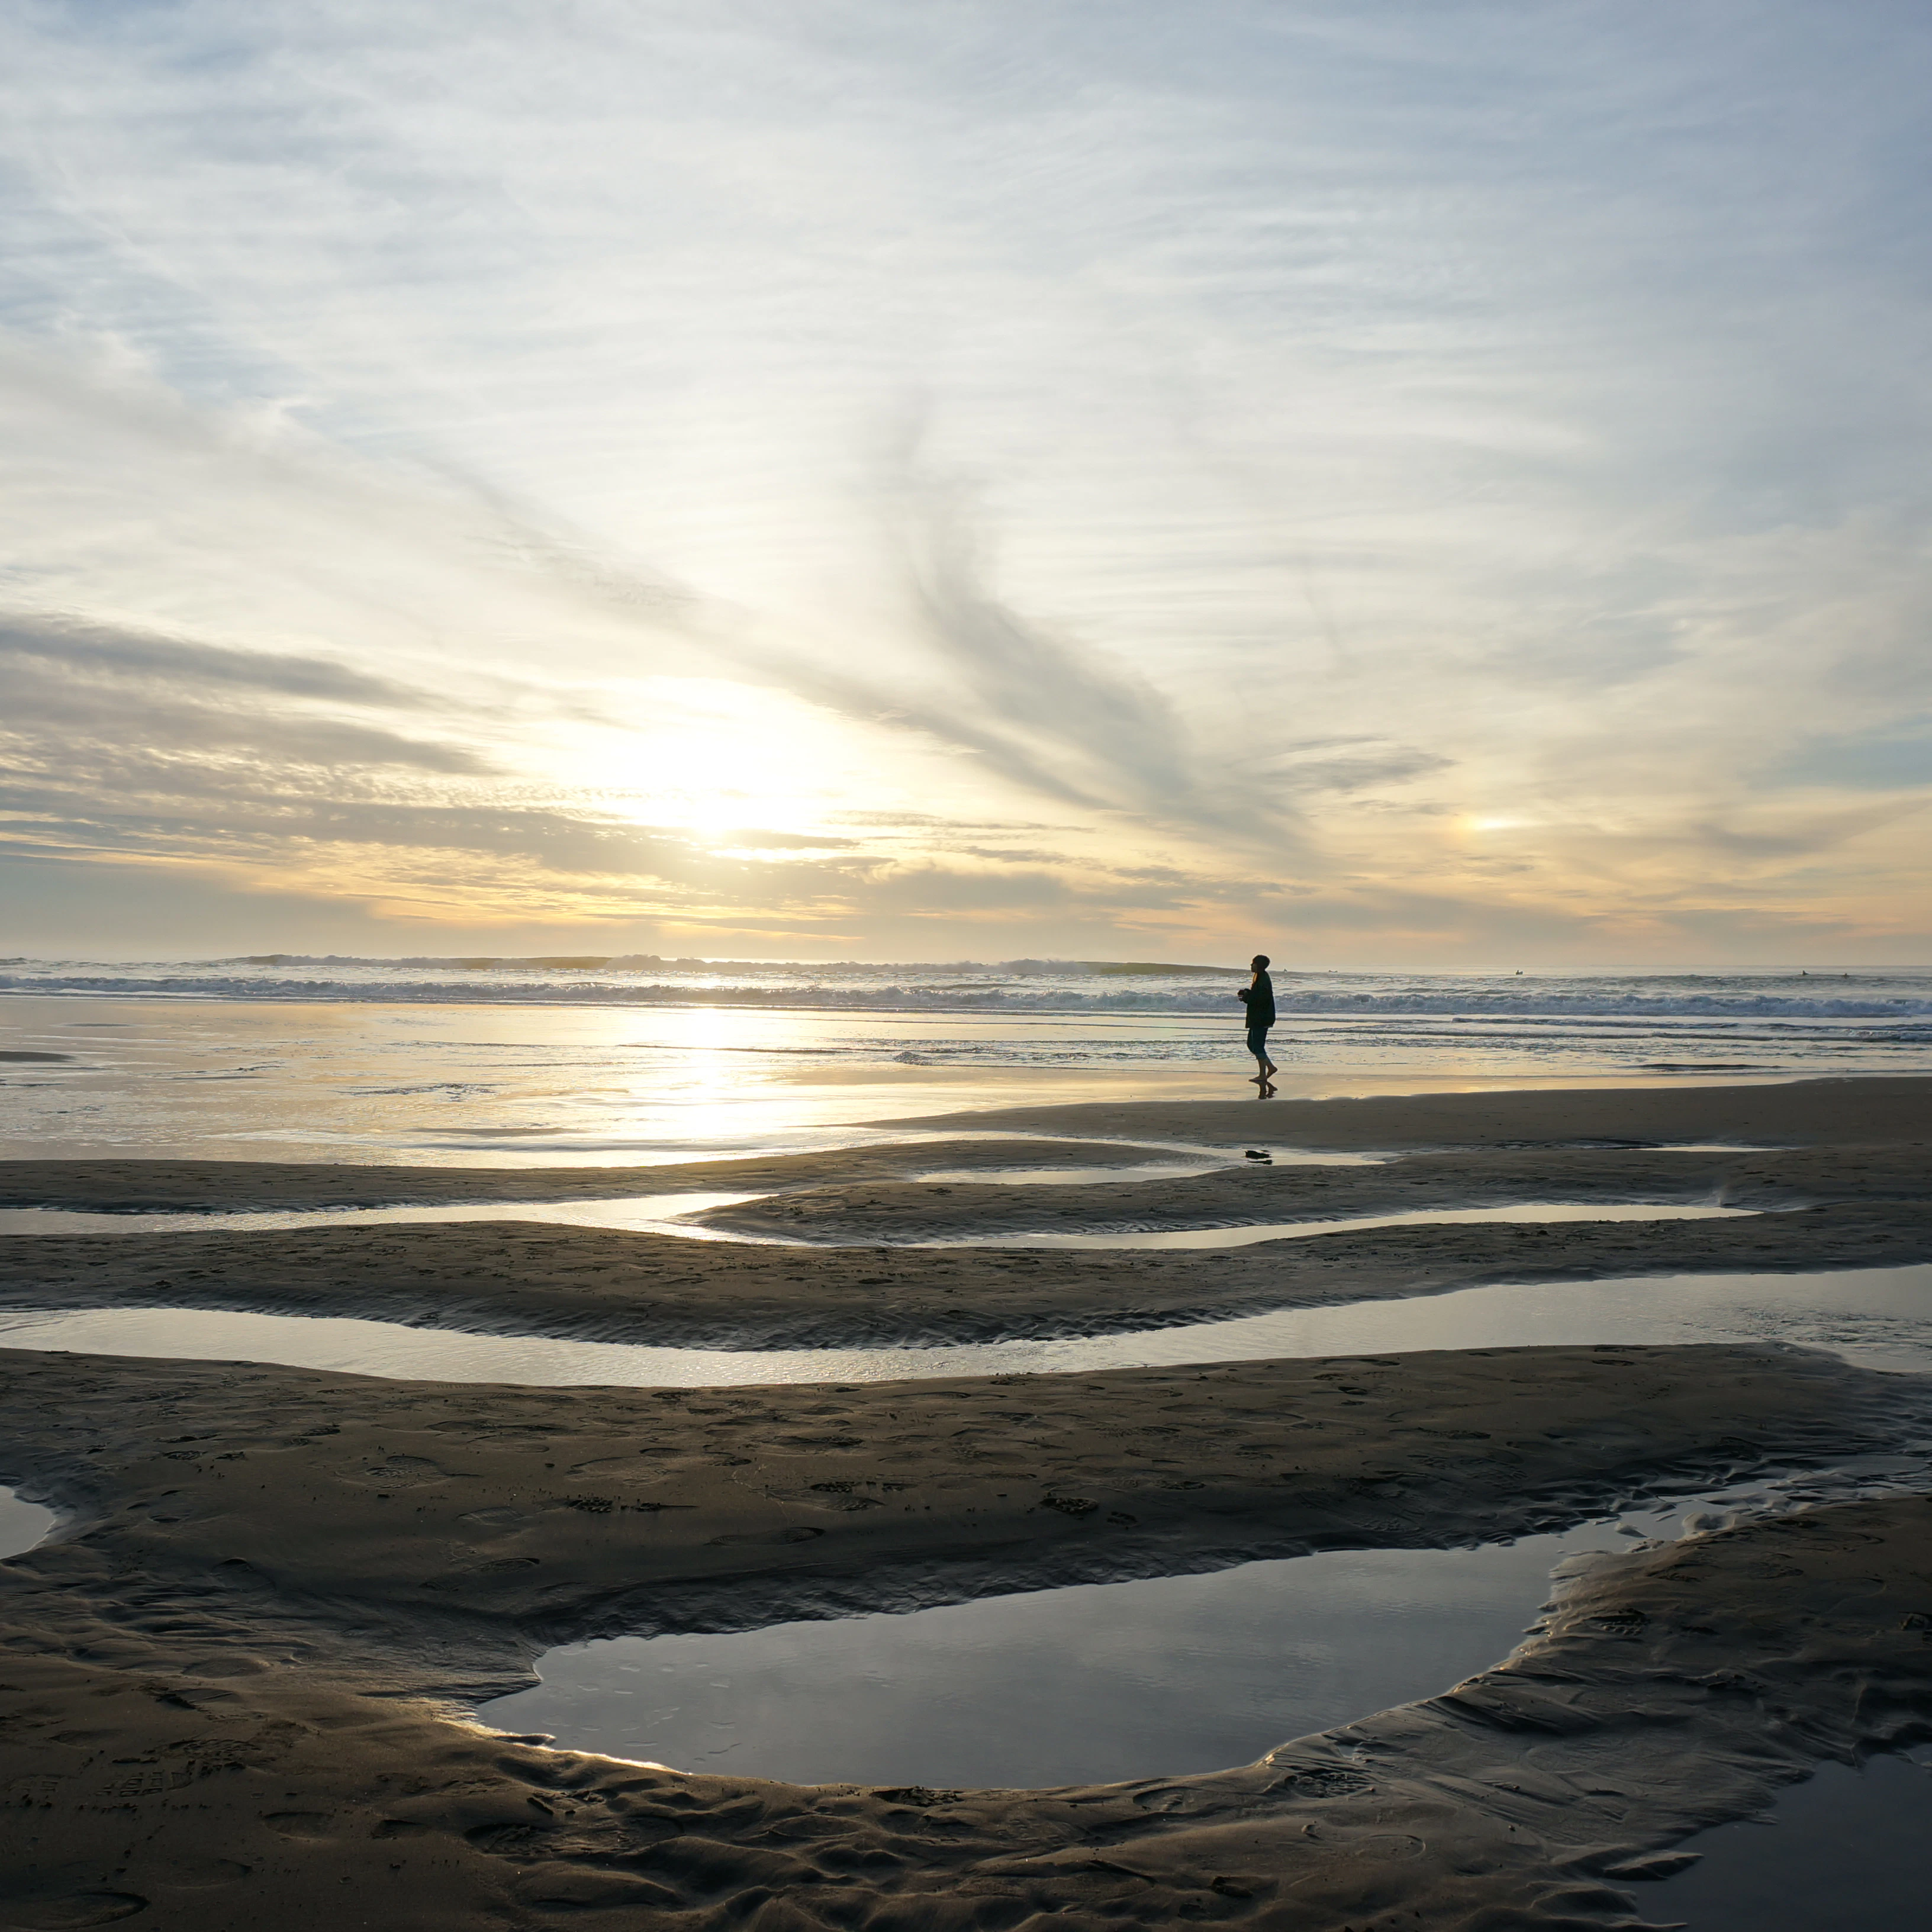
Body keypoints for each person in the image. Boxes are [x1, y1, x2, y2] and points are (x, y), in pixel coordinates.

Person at [1236, 954, 1277, 1092]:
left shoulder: (1263, 979)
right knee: (1252, 1045)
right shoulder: (1260, 978)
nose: (1251, 965)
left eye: (1253, 963)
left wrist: (1246, 997)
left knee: (1257, 1046)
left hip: (1262, 1018)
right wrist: (1247, 993)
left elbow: (1260, 999)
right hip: (1260, 1017)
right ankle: (1268, 1069)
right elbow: (1257, 996)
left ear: (1258, 966)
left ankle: (1264, 1073)